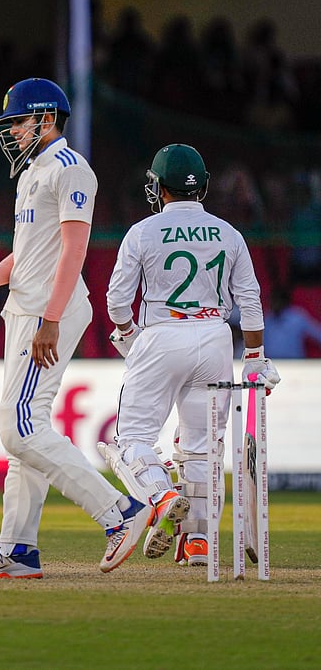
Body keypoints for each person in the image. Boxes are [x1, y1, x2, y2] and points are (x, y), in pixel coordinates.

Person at [0, 78, 151, 578]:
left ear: (46, 119)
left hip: (51, 311)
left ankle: (121, 513)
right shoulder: (33, 173)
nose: (13, 131)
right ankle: (19, 551)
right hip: (27, 308)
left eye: (19, 121)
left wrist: (49, 319)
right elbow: (26, 257)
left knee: (17, 425)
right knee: (26, 433)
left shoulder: (71, 169)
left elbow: (74, 250)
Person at [102, 144, 280, 566]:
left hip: (161, 334)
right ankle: (198, 541)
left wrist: (127, 332)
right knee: (202, 447)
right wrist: (253, 357)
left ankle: (162, 498)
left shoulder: (142, 232)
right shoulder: (228, 233)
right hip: (216, 338)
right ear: (202, 186)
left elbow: (115, 302)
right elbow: (250, 301)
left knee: (132, 440)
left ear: (159, 187)